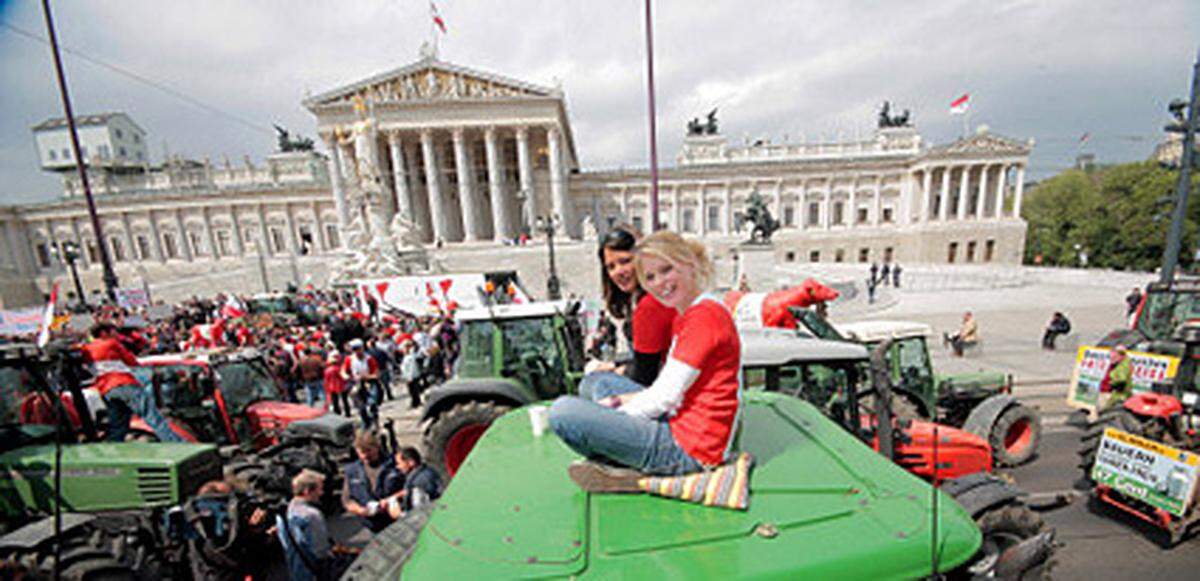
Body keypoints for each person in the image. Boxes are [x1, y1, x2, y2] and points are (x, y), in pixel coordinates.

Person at [549, 231, 742, 478]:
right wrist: (617, 407)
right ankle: (619, 455)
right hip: (684, 423)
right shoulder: (696, 310)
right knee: (599, 386)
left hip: (691, 450)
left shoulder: (703, 318)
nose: (660, 282)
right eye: (650, 277)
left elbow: (665, 397)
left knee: (563, 412)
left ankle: (623, 462)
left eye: (666, 270)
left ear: (690, 264)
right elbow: (668, 389)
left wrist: (613, 415)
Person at [579, 225, 679, 400]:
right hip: (669, 385)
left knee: (592, 383)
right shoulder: (655, 298)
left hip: (668, 394)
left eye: (625, 261)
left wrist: (615, 370)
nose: (618, 272)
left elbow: (645, 376)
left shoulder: (649, 305)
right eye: (611, 267)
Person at [82, 322, 182, 442]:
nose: (117, 335)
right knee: (151, 416)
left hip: (106, 390)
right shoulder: (111, 343)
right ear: (104, 333)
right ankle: (175, 442)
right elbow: (132, 361)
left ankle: (113, 449)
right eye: (114, 331)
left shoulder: (85, 349)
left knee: (118, 426)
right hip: (124, 384)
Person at [342, 431, 404, 533]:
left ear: (377, 447)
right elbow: (347, 500)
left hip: (395, 522)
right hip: (370, 525)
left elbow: (409, 488)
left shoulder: (394, 465)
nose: (365, 455)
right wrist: (361, 511)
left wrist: (390, 500)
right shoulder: (352, 471)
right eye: (361, 452)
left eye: (369, 451)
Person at [281, 469, 333, 581]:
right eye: (319, 489)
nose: (321, 493)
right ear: (307, 491)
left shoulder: (285, 513)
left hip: (296, 570)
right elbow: (321, 552)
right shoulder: (312, 516)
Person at [386, 447, 442, 520]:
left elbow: (419, 516)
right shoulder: (428, 472)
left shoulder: (418, 485)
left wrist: (398, 514)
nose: (397, 467)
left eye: (399, 463)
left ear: (411, 462)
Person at [342, 339, 380, 428]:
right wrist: (347, 377)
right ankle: (365, 422)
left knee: (372, 403)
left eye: (358, 349)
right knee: (360, 406)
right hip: (356, 383)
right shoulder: (349, 359)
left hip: (369, 382)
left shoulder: (369, 359)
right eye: (354, 349)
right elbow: (344, 371)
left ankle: (374, 420)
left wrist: (367, 376)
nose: (357, 352)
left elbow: (376, 374)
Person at [1100, 345, 1133, 410]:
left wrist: (1111, 383)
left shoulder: (1123, 365)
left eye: (1115, 354)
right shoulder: (1117, 363)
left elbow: (1121, 379)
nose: (1112, 356)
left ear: (1121, 355)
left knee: (1104, 411)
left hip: (1112, 393)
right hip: (1108, 391)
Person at [324, 352, 351, 417]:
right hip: (341, 386)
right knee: (345, 400)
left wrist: (326, 387)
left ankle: (337, 413)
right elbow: (344, 377)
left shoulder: (326, 370)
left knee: (335, 401)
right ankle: (347, 413)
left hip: (332, 387)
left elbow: (326, 380)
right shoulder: (338, 369)